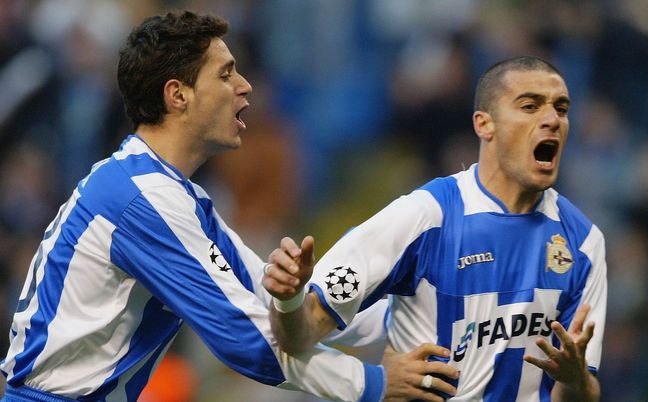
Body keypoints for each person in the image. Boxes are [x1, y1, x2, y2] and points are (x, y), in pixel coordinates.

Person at [0, 11, 458, 402]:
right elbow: (251, 342)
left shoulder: (176, 194)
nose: (245, 86)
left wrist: (430, 319)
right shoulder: (142, 199)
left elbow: (270, 302)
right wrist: (374, 383)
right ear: (177, 94)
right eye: (225, 74)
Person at [264, 56, 607, 401]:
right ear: (484, 124)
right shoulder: (425, 217)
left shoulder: (583, 244)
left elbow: (580, 394)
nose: (552, 120)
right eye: (530, 106)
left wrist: (576, 380)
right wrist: (290, 301)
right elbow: (298, 337)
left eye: (561, 109)